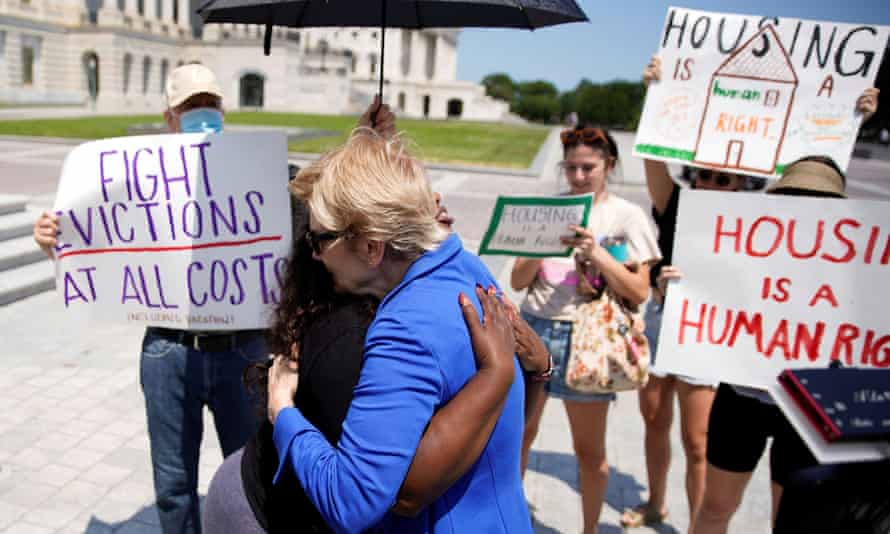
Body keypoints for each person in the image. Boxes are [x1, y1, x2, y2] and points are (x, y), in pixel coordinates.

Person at [30, 63, 398, 534]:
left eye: (209, 104)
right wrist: (55, 243)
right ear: (170, 117)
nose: (202, 113)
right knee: (171, 484)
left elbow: (319, 193)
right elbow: (98, 243)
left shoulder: (258, 174)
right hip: (168, 348)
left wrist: (363, 142)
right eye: (190, 106)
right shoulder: (134, 180)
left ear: (223, 110)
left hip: (243, 348)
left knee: (249, 476)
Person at [202, 195, 552, 533]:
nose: (437, 200)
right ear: (372, 245)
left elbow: (493, 426)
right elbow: (392, 495)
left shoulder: (456, 279)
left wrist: (536, 371)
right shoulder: (358, 338)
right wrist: (284, 413)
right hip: (261, 515)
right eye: (414, 193)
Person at [263, 128, 534, 533]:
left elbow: (349, 501)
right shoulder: (464, 264)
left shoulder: (404, 328)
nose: (315, 255)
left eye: (321, 239)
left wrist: (282, 410)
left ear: (373, 248)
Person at [692, 92, 879, 534]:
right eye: (794, 195)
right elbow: (704, 305)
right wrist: (679, 287)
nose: (805, 205)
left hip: (810, 403)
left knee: (791, 519)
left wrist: (859, 118)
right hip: (742, 399)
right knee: (715, 508)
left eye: (817, 199)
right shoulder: (743, 247)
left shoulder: (857, 266)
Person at [620, 56, 748, 531]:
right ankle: (656, 503)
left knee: (699, 440)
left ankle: (700, 524)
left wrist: (851, 119)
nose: (712, 183)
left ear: (741, 183)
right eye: (704, 174)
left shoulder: (755, 222)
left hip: (708, 334)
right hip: (662, 320)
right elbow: (652, 157)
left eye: (723, 178)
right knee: (654, 420)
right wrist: (653, 94)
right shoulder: (675, 204)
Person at [512, 125, 661, 534]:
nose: (578, 176)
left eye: (588, 167)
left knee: (589, 450)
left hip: (590, 337)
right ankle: (512, 521)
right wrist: (538, 246)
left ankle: (589, 529)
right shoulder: (550, 208)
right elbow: (519, 281)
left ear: (608, 166)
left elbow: (639, 290)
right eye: (571, 167)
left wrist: (597, 253)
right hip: (537, 327)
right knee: (520, 436)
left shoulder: (627, 216)